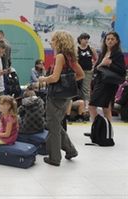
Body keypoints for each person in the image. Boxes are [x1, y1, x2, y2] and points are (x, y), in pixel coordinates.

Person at [38, 30, 84, 166]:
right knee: (56, 124)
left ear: (59, 41)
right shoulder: (70, 57)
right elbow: (81, 74)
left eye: (52, 40)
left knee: (52, 126)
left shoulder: (59, 56)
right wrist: (68, 82)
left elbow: (54, 78)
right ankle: (71, 150)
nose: (51, 42)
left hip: (55, 96)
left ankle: (54, 158)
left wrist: (43, 79)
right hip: (66, 97)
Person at [89, 31, 126, 122]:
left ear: (116, 41)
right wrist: (101, 63)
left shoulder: (118, 54)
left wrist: (110, 64)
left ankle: (107, 132)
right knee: (92, 106)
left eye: (112, 39)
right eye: (108, 39)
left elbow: (122, 71)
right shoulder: (103, 53)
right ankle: (97, 128)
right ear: (105, 41)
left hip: (110, 83)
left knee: (106, 108)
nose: (109, 41)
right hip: (100, 82)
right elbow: (97, 68)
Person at [77, 33, 98, 109]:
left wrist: (93, 66)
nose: (86, 40)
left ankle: (86, 105)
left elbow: (97, 59)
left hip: (88, 71)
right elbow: (74, 61)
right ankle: (80, 103)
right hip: (78, 72)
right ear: (80, 39)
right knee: (78, 87)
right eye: (85, 39)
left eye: (87, 39)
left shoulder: (91, 49)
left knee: (86, 88)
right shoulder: (76, 49)